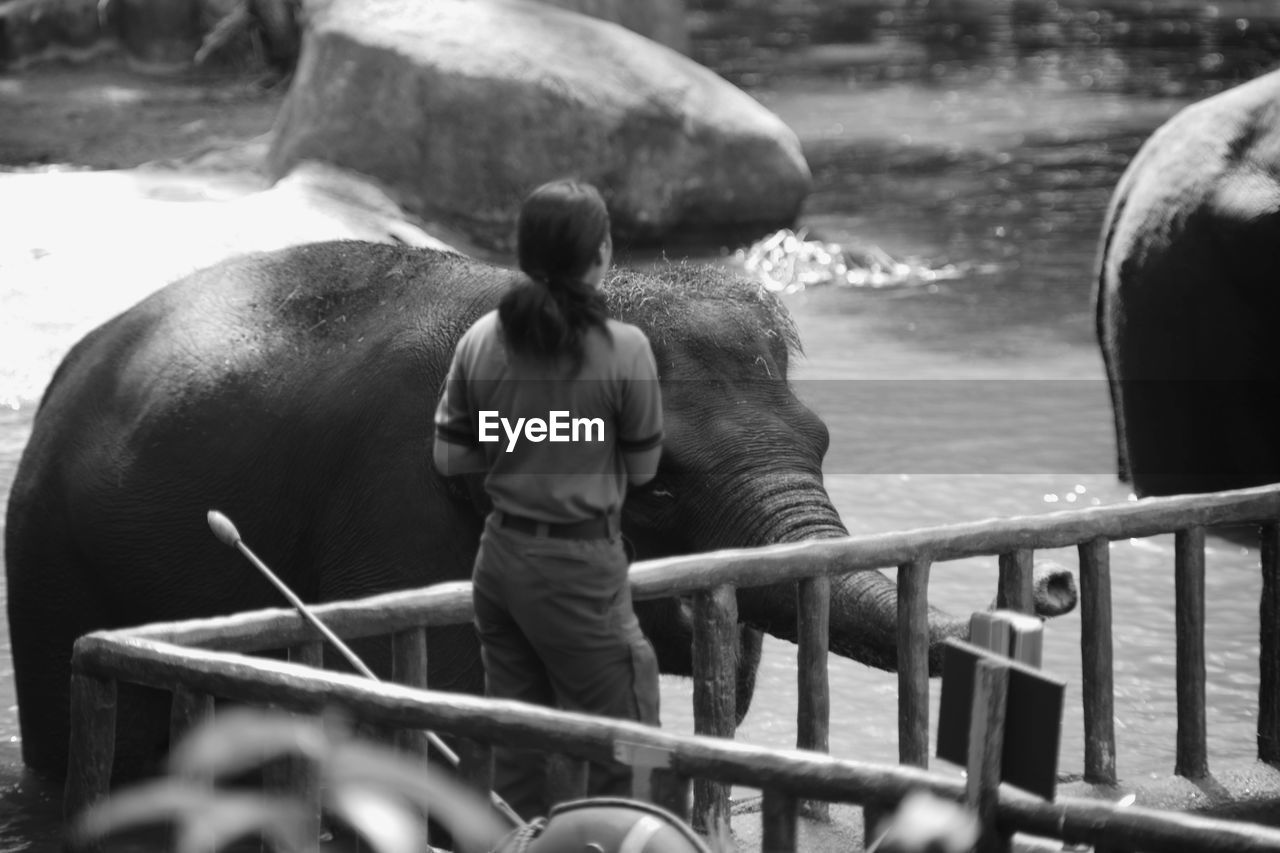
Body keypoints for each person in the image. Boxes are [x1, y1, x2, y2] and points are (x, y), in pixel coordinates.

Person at [432, 179, 664, 821]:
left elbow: (449, 455)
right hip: (577, 568)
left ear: (524, 254)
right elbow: (644, 468)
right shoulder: (626, 349)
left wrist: (520, 439)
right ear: (603, 253)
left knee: (518, 747)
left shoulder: (482, 337)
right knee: (635, 739)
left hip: (500, 563)